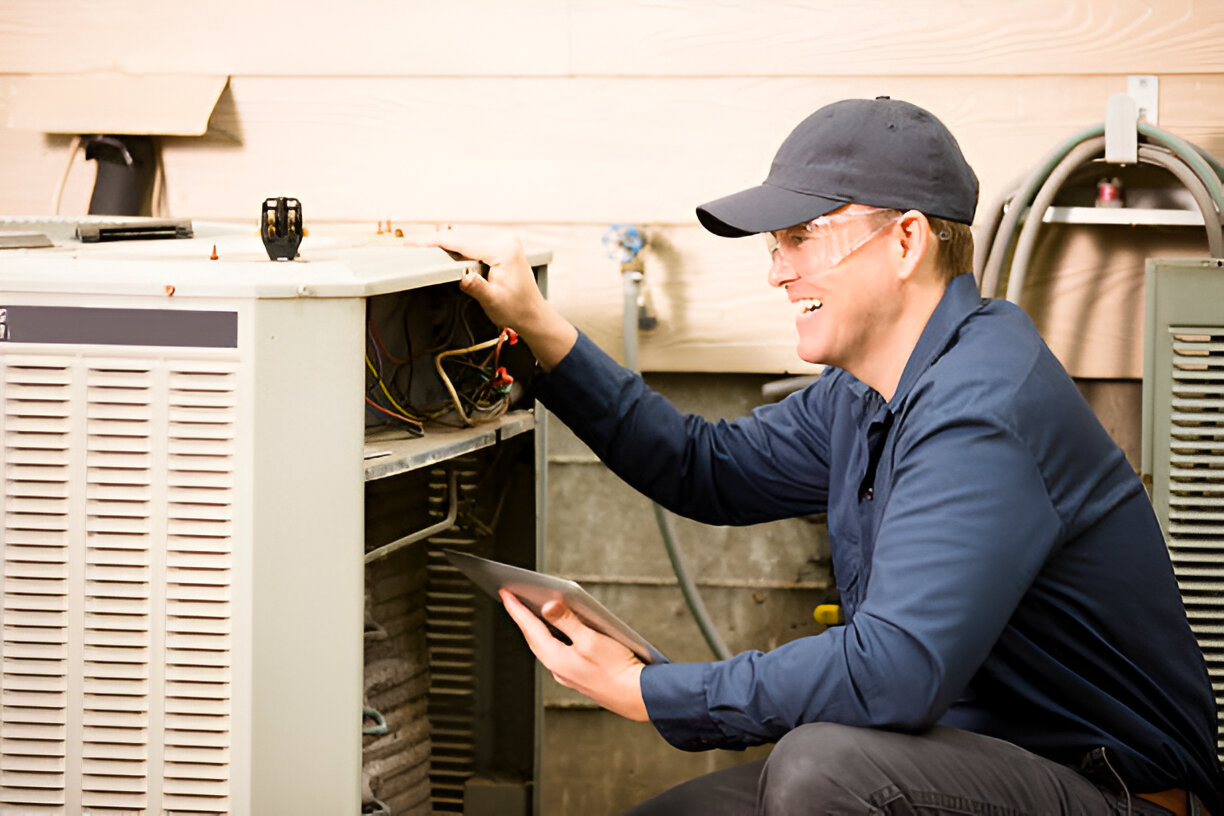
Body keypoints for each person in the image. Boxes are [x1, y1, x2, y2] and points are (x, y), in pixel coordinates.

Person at [418, 97, 1224, 814]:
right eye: (775, 244)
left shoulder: (983, 407)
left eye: (802, 237)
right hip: (960, 762)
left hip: (1112, 792)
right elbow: (707, 468)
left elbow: (893, 671)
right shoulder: (870, 389)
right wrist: (539, 330)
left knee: (819, 769)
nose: (778, 271)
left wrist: (647, 691)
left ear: (906, 240)